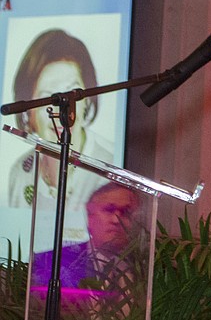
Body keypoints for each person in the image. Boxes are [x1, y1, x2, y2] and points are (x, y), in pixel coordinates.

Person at [7, 29, 113, 214]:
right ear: (28, 110)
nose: (62, 107)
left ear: (87, 100)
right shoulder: (20, 172)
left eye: (72, 93)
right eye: (48, 97)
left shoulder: (109, 168)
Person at [30, 181, 142, 288]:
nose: (116, 220)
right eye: (109, 210)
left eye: (126, 212)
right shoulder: (49, 262)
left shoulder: (147, 268)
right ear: (90, 216)